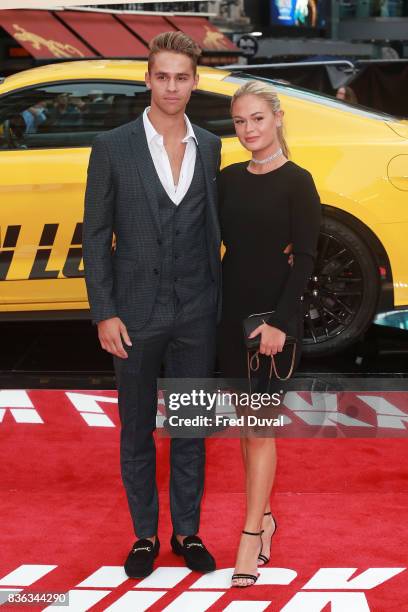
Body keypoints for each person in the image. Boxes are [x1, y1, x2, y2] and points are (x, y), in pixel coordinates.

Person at [82, 31, 222, 579]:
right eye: (161, 76)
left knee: (191, 425)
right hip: (133, 315)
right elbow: (96, 236)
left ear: (194, 81)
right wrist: (104, 311)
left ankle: (186, 531)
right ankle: (145, 534)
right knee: (136, 428)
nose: (171, 86)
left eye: (181, 77)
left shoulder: (209, 145)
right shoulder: (112, 146)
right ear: (147, 79)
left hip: (197, 312)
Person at [217, 81, 321, 587]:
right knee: (246, 426)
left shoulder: (298, 181)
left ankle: (251, 534)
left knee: (258, 428)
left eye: (257, 119)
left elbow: (304, 260)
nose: (248, 130)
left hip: (272, 323)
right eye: (239, 121)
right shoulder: (229, 179)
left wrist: (279, 322)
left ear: (277, 118)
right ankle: (266, 517)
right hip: (229, 316)